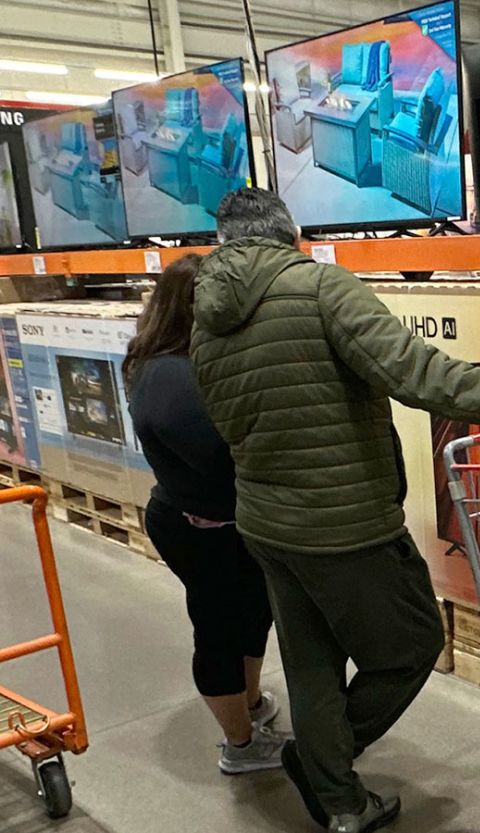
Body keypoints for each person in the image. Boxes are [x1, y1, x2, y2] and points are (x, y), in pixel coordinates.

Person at [190, 189, 480, 833]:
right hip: (345, 525)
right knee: (415, 642)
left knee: (312, 659)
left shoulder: (206, 315)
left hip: (267, 522)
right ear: (294, 234)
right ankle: (323, 765)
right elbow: (417, 375)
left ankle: (340, 801)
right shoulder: (321, 289)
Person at [124, 253, 288, 775]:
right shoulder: (171, 377)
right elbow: (226, 458)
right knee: (218, 629)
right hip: (200, 528)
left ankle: (251, 702)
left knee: (252, 615)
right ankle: (239, 745)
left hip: (227, 525)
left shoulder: (179, 361)